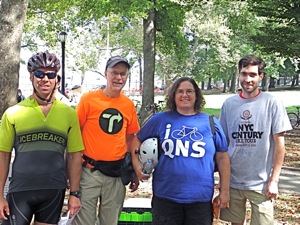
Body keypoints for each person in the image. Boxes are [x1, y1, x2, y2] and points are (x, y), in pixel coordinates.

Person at [130, 77, 230, 225]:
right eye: (180, 91)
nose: (185, 95)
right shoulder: (160, 119)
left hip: (200, 199)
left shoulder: (210, 123)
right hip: (166, 197)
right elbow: (136, 140)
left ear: (196, 95)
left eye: (189, 91)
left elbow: (223, 158)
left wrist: (224, 191)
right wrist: (137, 166)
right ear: (173, 96)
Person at [0, 50, 84, 225]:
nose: (45, 79)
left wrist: (74, 194)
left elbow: (75, 155)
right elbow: (3, 155)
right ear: (31, 76)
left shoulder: (68, 113)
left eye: (50, 74)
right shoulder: (14, 113)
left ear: (56, 78)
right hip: (20, 190)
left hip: (53, 191)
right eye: (39, 74)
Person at [219, 55, 292, 225]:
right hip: (233, 181)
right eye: (244, 74)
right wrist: (223, 181)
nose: (247, 79)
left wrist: (274, 181)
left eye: (252, 75)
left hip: (262, 183)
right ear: (239, 74)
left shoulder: (272, 103)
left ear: (261, 76)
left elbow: (280, 145)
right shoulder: (229, 104)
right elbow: (223, 145)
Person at [73, 55, 140, 225]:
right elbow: (74, 133)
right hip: (89, 172)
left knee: (110, 221)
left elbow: (131, 139)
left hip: (116, 174)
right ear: (106, 74)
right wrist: (71, 170)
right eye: (114, 73)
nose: (119, 78)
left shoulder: (128, 105)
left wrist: (134, 169)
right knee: (83, 221)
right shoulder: (89, 100)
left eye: (123, 74)